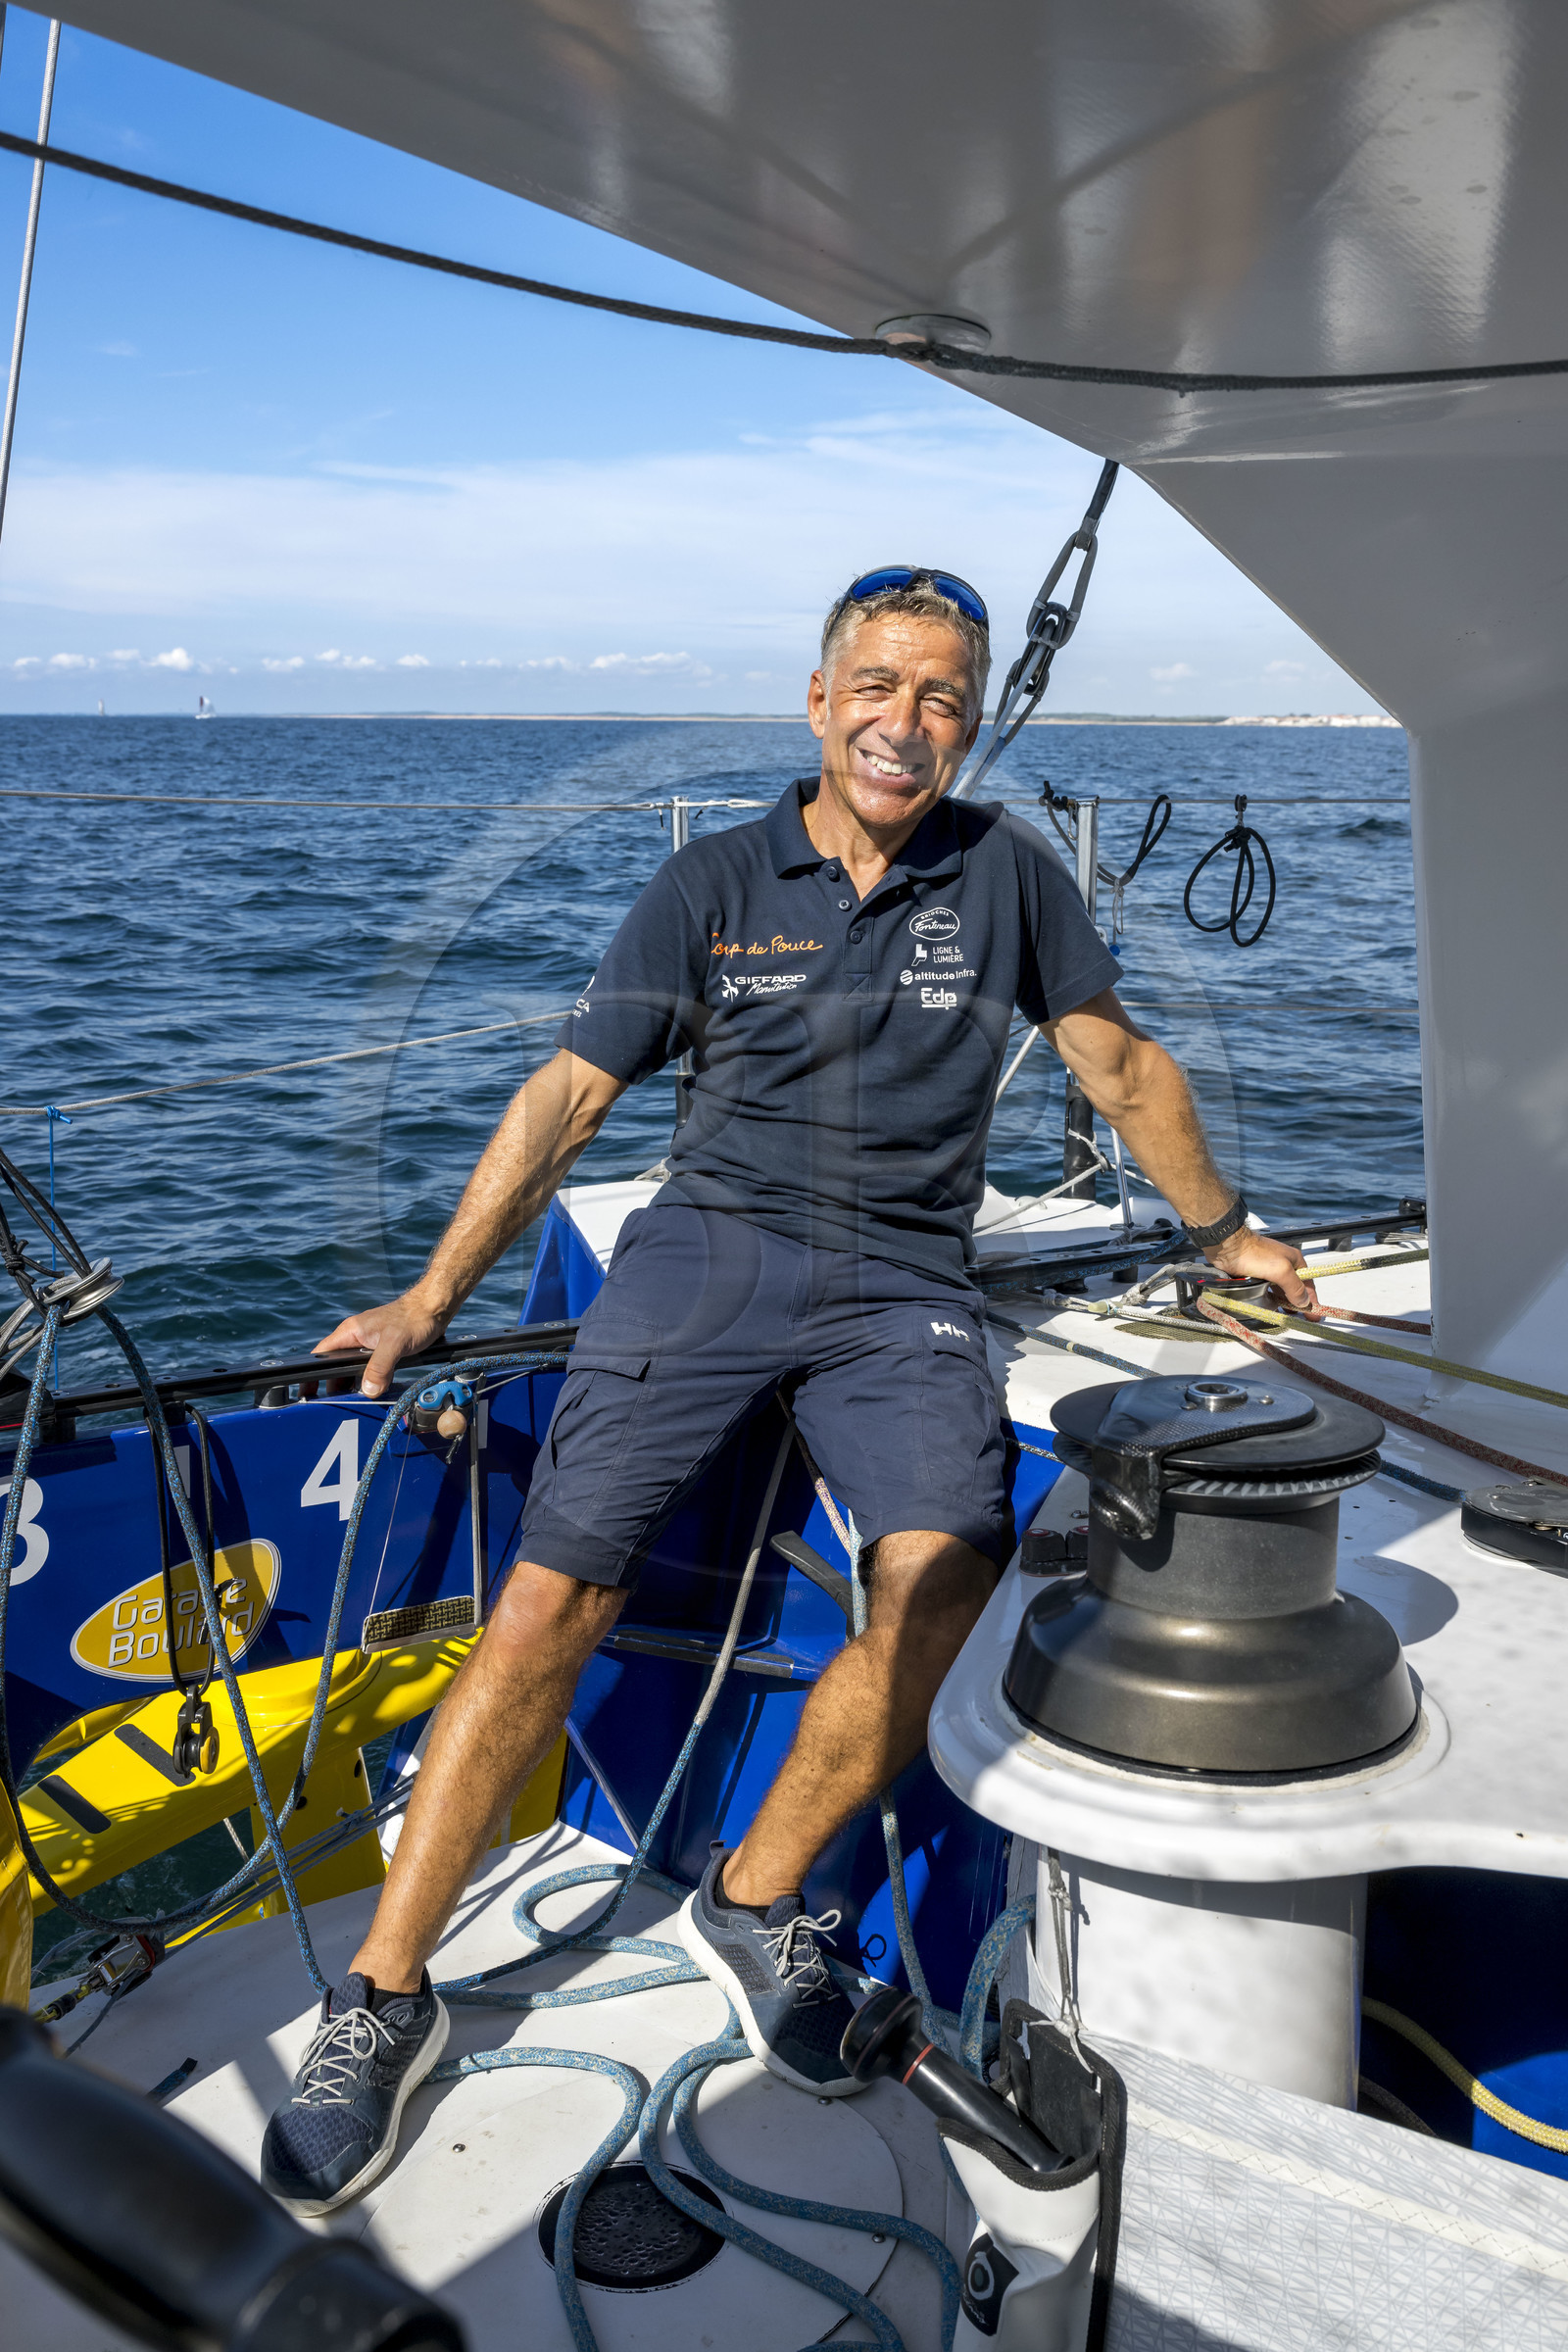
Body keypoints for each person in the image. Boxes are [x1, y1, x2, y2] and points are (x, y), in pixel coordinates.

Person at [260, 565, 1318, 2215]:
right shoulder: (709, 881)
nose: (911, 724)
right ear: (821, 705)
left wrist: (1230, 1230)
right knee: (549, 1605)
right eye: (880, 688)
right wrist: (428, 1293)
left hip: (903, 1283)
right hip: (710, 1256)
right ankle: (382, 1995)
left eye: (948, 698)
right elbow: (570, 1095)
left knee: (941, 1579)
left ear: (974, 723)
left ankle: (758, 1897)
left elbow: (1115, 1063)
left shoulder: (1012, 880)